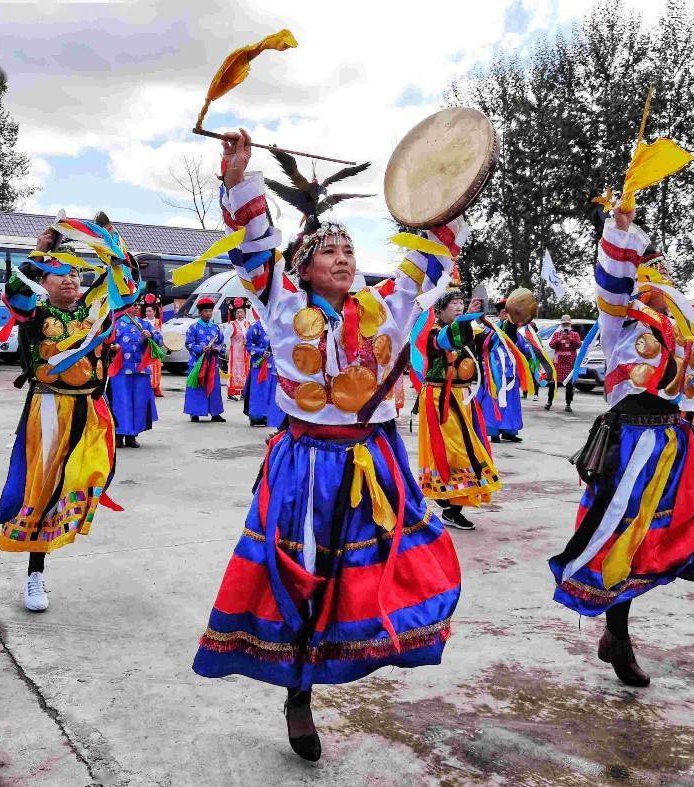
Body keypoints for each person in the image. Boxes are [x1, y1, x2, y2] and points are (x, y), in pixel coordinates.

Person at [193, 129, 463, 762]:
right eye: (329, 252)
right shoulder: (279, 304)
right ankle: (298, 693)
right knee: (300, 578)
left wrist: (446, 188)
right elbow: (254, 250)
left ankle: (357, 652)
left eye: (350, 250)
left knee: (382, 571)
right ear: (304, 266)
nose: (344, 259)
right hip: (306, 464)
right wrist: (238, 179)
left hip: (375, 461)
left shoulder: (388, 304)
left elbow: (429, 250)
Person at [549, 203, 694, 687]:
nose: (661, 267)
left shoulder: (684, 322)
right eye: (649, 261)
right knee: (620, 544)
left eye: (663, 260)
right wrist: (620, 229)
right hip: (629, 443)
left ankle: (653, 592)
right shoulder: (618, 321)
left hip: (676, 439)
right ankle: (619, 637)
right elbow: (611, 281)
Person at [0, 224, 136, 612]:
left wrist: (114, 249)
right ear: (45, 281)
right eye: (60, 273)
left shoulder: (94, 312)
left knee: (90, 475)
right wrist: (39, 251)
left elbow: (126, 290)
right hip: (50, 409)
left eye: (74, 272)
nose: (71, 279)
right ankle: (35, 574)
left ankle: (67, 527)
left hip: (90, 410)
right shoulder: (35, 314)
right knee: (43, 489)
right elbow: (16, 291)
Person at [416, 291, 501, 531]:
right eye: (454, 303)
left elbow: (489, 342)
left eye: (462, 303)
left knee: (472, 449)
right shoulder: (432, 333)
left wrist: (511, 324)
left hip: (463, 398)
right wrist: (466, 320)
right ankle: (448, 504)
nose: (459, 306)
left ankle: (452, 509)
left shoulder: (467, 331)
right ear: (440, 310)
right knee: (453, 452)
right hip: (440, 400)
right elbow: (446, 341)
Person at [476, 299, 531, 442]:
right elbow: (485, 347)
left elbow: (524, 350)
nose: (507, 316)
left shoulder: (518, 333)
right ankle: (494, 431)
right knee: (493, 402)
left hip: (511, 375)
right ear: (500, 314)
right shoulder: (491, 330)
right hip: (495, 374)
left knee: (512, 403)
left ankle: (509, 431)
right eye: (504, 313)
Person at [109, 302, 162, 448]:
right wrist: (113, 348)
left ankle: (132, 435)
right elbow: (105, 343)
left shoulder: (143, 324)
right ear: (124, 307)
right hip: (120, 371)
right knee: (121, 402)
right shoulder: (115, 324)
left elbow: (159, 339)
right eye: (133, 305)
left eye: (138, 305)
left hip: (140, 370)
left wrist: (150, 336)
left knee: (138, 403)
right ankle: (119, 435)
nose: (137, 307)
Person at [184, 297, 226, 423]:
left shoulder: (216, 328)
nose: (208, 313)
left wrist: (215, 348)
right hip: (197, 363)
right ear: (200, 313)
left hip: (212, 363)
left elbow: (222, 344)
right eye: (206, 311)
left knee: (214, 387)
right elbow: (189, 344)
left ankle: (215, 413)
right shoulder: (193, 328)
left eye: (210, 311)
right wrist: (201, 349)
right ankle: (195, 413)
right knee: (197, 387)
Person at [242, 314, 284, 428]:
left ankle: (269, 416)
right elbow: (247, 344)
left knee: (272, 391)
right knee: (258, 391)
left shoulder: (277, 326)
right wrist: (260, 352)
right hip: (259, 365)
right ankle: (256, 417)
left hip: (274, 365)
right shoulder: (256, 327)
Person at [547, 315, 582, 413]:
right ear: (561, 324)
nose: (565, 325)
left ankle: (568, 404)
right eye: (564, 324)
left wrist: (570, 339)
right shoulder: (557, 334)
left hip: (570, 362)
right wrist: (560, 339)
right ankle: (549, 402)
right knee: (553, 383)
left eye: (567, 324)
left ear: (570, 324)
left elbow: (579, 345)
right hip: (558, 363)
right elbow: (551, 345)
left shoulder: (574, 334)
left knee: (569, 384)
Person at [226, 302, 251, 400]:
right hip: (236, 352)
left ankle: (245, 392)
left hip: (247, 353)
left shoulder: (248, 324)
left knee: (246, 371)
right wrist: (228, 348)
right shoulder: (232, 325)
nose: (239, 314)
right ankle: (232, 393)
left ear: (245, 313)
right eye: (237, 312)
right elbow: (225, 337)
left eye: (241, 312)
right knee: (234, 371)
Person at [142, 294, 165, 397]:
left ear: (154, 312)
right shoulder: (143, 321)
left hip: (155, 347)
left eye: (150, 311)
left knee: (157, 367)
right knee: (148, 367)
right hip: (146, 348)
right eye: (147, 311)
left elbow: (160, 334)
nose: (148, 313)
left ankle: (156, 387)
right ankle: (148, 387)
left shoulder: (158, 321)